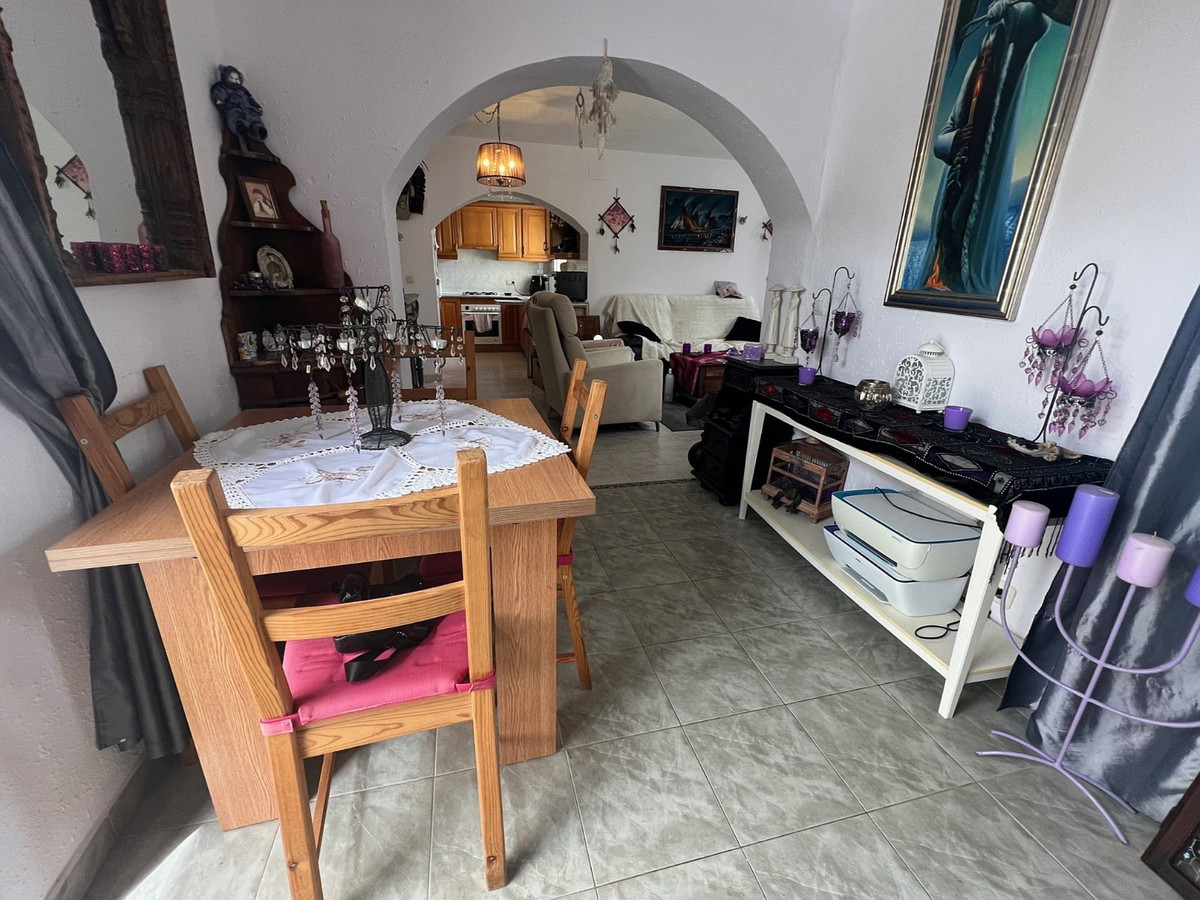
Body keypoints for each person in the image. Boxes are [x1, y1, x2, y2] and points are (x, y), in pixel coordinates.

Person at [917, 0, 1070, 295]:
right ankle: (939, 275)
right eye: (983, 55)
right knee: (948, 226)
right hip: (956, 173)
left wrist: (1010, 11)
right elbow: (942, 137)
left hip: (980, 171)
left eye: (991, 56)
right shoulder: (969, 86)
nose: (986, 61)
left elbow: (1034, 23)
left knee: (966, 224)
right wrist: (956, 138)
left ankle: (957, 280)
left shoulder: (1007, 76)